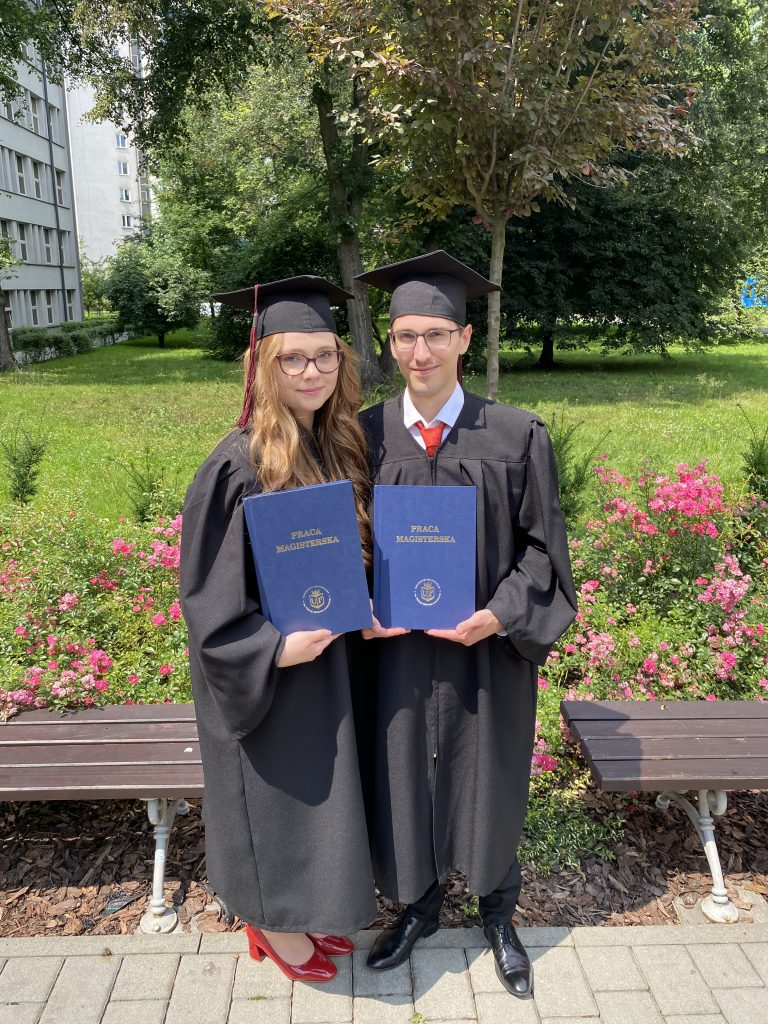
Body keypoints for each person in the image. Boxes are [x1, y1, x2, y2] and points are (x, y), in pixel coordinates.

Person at [354, 251, 578, 998]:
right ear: (390, 342)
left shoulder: (515, 435)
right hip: (396, 651)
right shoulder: (363, 435)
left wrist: (500, 614)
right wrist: (359, 604)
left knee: (491, 770)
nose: (420, 352)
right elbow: (346, 542)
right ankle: (417, 906)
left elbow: (545, 550)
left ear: (464, 339)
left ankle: (498, 912)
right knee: (401, 769)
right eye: (406, 336)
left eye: (436, 335)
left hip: (486, 648)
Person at [180, 276, 377, 983]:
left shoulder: (333, 442)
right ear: (262, 365)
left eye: (325, 356)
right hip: (271, 668)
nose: (312, 371)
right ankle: (269, 923)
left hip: (324, 660)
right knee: (273, 797)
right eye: (293, 357)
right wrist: (271, 650)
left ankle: (301, 911)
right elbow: (206, 598)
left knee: (314, 792)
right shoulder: (236, 465)